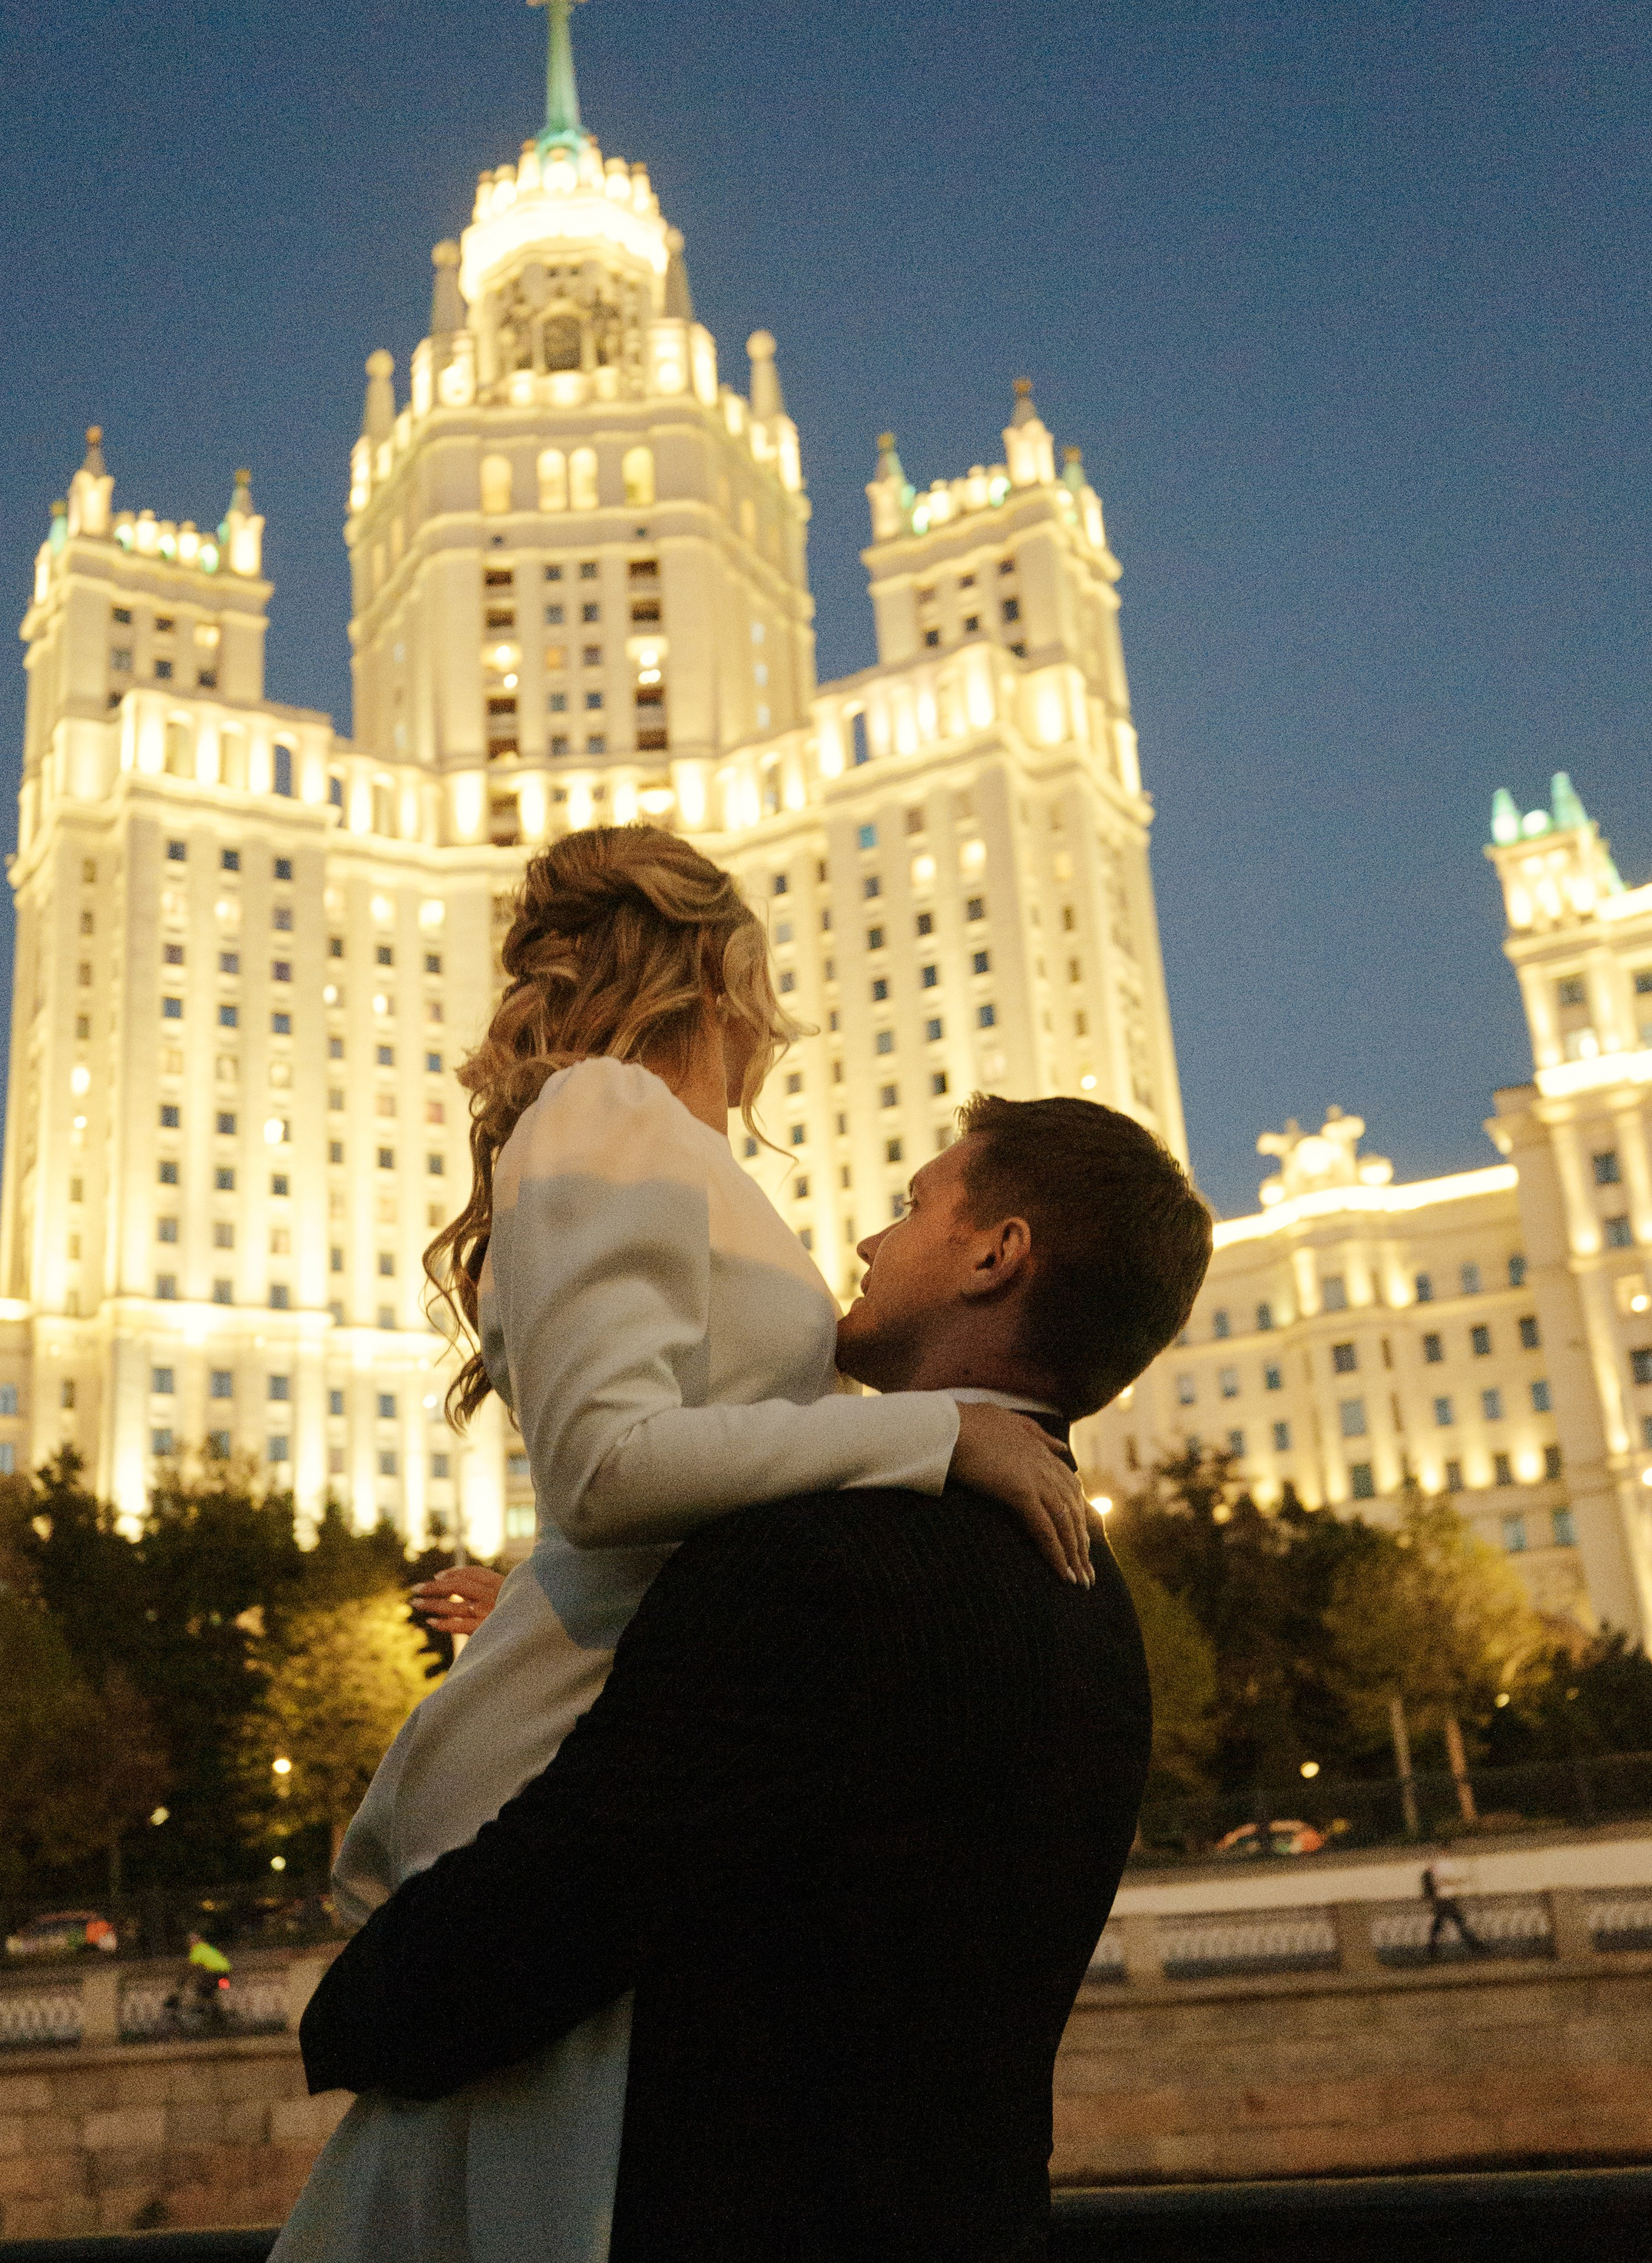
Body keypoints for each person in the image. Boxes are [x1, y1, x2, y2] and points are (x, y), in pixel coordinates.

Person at [271, 827, 1097, 2263]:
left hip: (639, 1728)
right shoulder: (607, 1112)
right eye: (769, 986)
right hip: (579, 1775)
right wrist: (933, 1436)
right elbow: (607, 1470)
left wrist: (532, 1593)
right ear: (721, 972)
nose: (776, 1030)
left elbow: (660, 1477)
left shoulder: (671, 1154)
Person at [1422, 1855, 1485, 1957]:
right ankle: (1475, 1945)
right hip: (1445, 1901)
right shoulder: (1435, 1870)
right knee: (1458, 1923)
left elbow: (1434, 1886)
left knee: (1440, 1925)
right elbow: (1442, 1882)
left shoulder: (1430, 1873)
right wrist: (1461, 1881)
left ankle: (1432, 1948)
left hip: (1442, 1902)